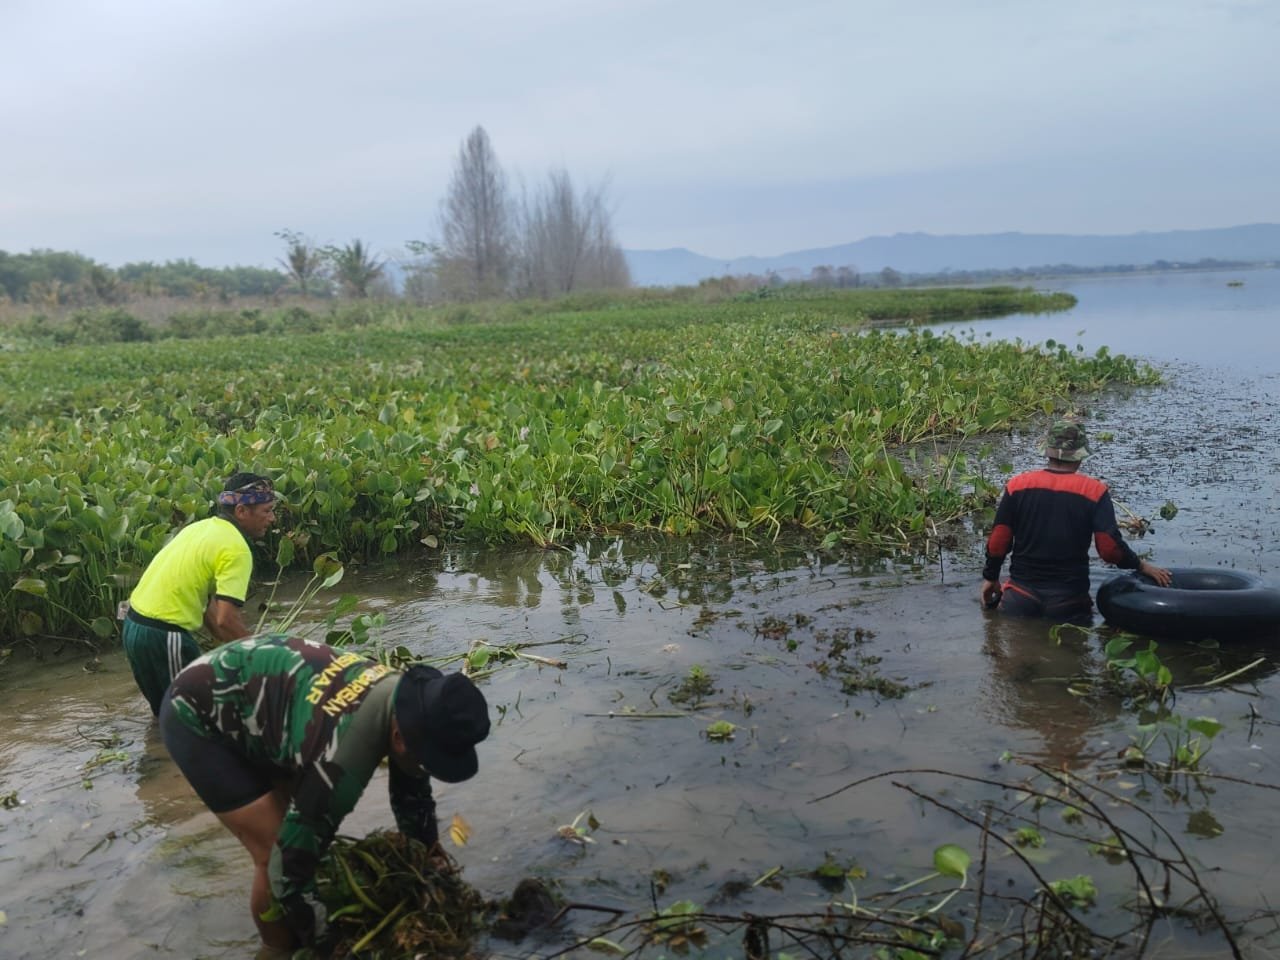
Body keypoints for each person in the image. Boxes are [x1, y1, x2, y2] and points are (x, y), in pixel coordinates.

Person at [159, 633, 491, 952]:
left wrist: (428, 856)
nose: (427, 769)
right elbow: (286, 870)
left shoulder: (405, 704)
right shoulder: (338, 765)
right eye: (430, 761)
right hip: (196, 710)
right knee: (272, 851)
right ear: (400, 739)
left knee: (295, 825)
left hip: (266, 700)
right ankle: (275, 951)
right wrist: (323, 941)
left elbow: (411, 791)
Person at [981, 420, 1172, 621]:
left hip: (1020, 598)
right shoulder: (1094, 492)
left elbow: (998, 542)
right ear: (1080, 456)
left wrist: (990, 577)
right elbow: (1110, 550)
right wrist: (1141, 565)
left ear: (1047, 452)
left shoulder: (1017, 486)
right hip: (1069, 602)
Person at [122, 472, 276, 715]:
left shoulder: (200, 528)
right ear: (241, 511)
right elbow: (226, 620)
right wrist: (260, 657)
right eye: (267, 511)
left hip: (133, 626)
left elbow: (207, 607)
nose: (272, 518)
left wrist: (224, 648)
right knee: (197, 718)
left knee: (167, 715)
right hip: (164, 635)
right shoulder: (236, 549)